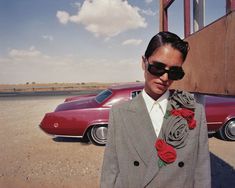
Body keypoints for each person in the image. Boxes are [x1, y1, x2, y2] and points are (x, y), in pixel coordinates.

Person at [100, 31, 211, 188]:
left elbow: (202, 172)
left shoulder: (195, 113)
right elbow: (110, 172)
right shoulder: (119, 114)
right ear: (143, 62)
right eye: (158, 67)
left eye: (174, 72)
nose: (165, 78)